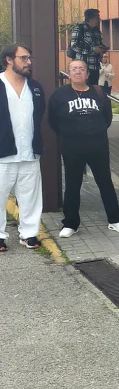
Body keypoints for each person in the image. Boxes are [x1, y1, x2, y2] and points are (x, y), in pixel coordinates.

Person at [48, 60, 119, 237]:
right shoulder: (59, 95)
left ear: (87, 73)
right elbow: (53, 122)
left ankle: (116, 220)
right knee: (72, 184)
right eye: (74, 69)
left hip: (97, 146)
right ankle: (70, 223)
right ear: (69, 73)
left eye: (81, 69)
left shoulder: (98, 93)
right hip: (72, 148)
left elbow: (107, 119)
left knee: (105, 182)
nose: (78, 72)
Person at [0, 44, 45, 250]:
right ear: (9, 60)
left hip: (29, 152)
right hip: (3, 153)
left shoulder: (34, 87)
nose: (28, 62)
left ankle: (29, 234)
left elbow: (39, 115)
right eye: (23, 58)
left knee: (31, 196)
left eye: (29, 58)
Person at [67, 9, 108, 87]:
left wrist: (102, 48)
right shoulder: (79, 29)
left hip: (95, 67)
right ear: (89, 19)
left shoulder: (97, 31)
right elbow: (74, 46)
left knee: (93, 90)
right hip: (83, 68)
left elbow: (97, 44)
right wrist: (92, 49)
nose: (99, 20)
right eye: (97, 17)